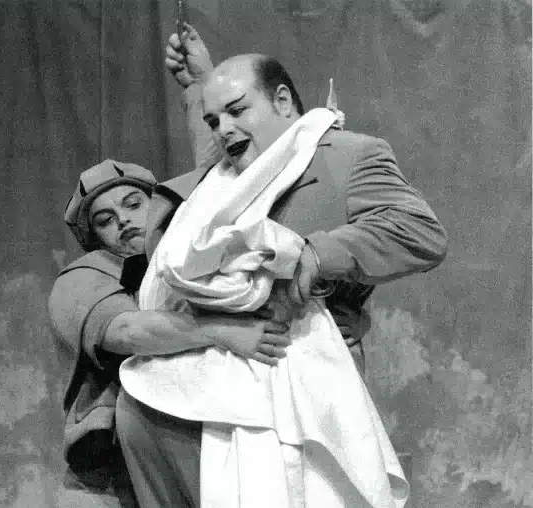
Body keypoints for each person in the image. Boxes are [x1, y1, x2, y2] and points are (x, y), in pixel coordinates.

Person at [114, 26, 448, 507]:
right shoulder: (223, 176)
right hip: (193, 392)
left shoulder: (347, 155)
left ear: (284, 101)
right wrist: (199, 83)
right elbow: (219, 170)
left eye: (237, 110)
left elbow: (420, 232)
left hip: (296, 392)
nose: (223, 129)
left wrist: (316, 253)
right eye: (214, 120)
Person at [48, 159, 371, 507]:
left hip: (217, 433)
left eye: (133, 204)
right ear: (94, 237)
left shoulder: (194, 254)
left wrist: (346, 320)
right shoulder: (83, 277)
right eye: (105, 220)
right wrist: (223, 331)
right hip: (117, 472)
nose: (123, 220)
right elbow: (126, 332)